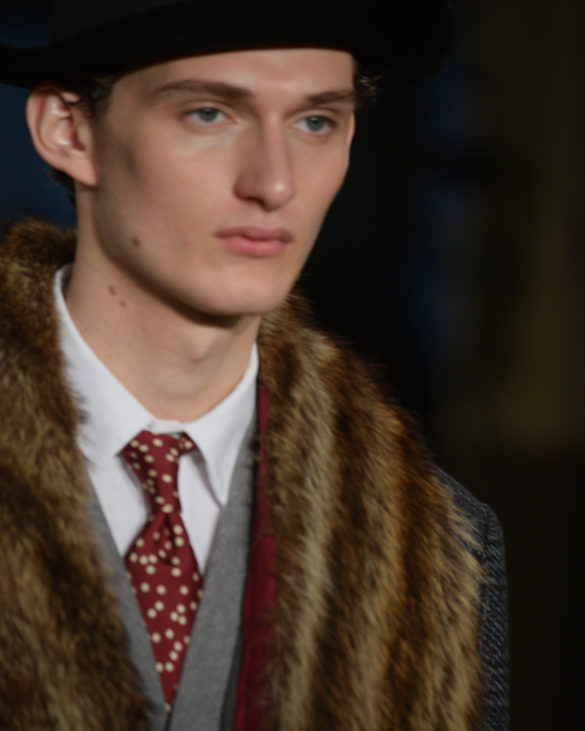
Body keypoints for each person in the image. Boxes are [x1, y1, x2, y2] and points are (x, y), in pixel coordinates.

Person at [0, 1, 508, 729]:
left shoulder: (438, 544)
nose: (275, 183)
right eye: (209, 113)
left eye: (314, 122)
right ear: (68, 131)